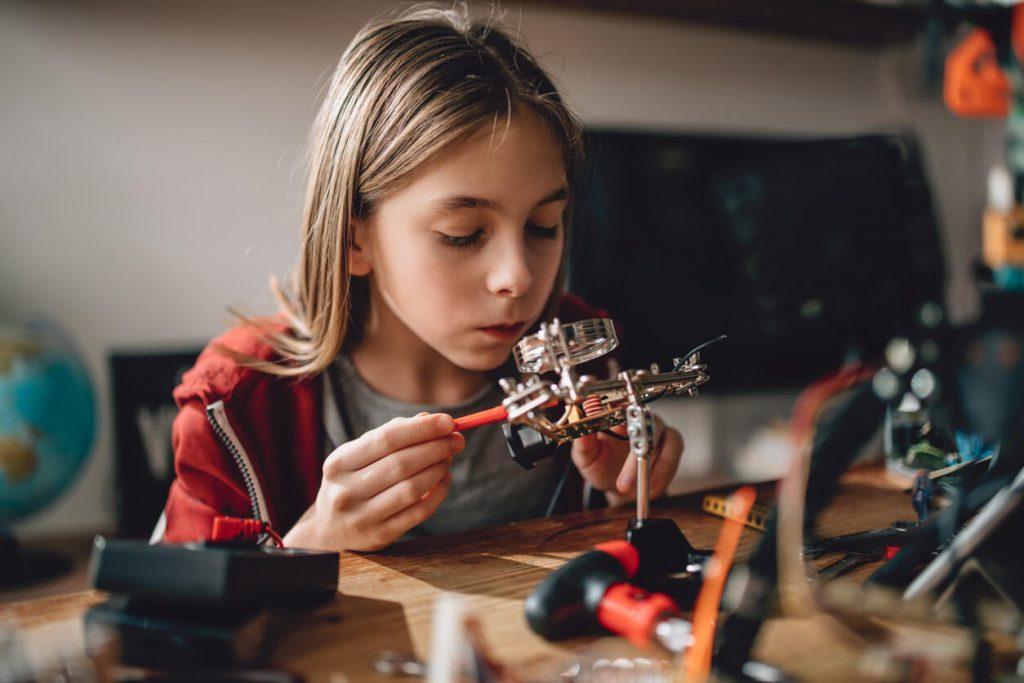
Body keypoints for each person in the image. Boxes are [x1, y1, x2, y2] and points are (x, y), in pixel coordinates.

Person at [160, 3, 684, 551]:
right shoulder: (236, 404)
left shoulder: (580, 348)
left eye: (542, 226)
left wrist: (630, 494)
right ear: (354, 239)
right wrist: (309, 545)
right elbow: (176, 623)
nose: (519, 277)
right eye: (462, 234)